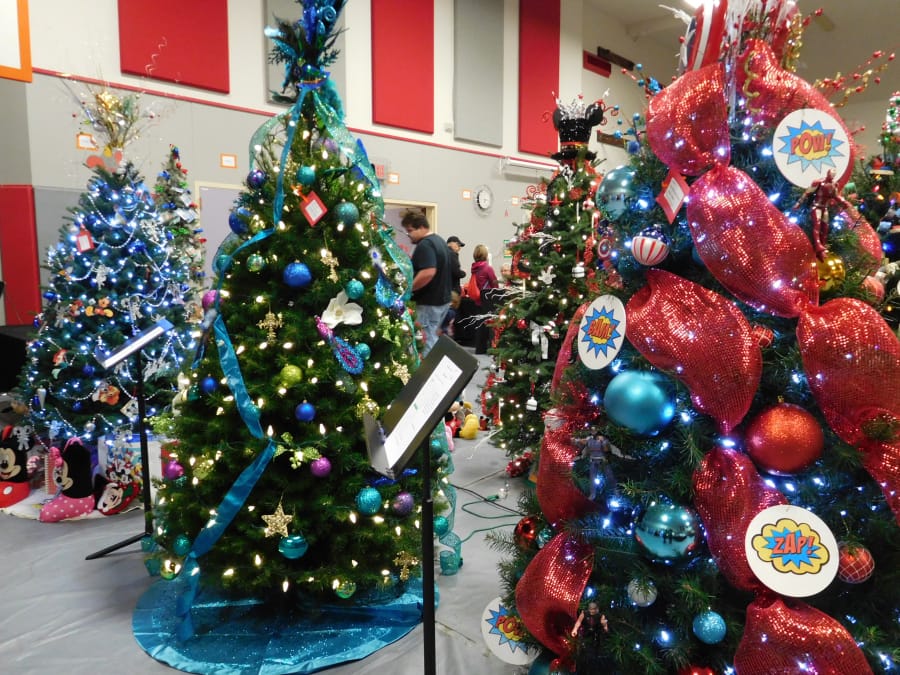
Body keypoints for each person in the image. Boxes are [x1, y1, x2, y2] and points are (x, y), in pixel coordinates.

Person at [401, 211, 452, 356]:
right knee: (431, 336)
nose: (408, 234)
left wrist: (409, 289)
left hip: (428, 302)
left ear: (421, 227)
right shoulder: (439, 241)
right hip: (441, 301)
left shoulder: (425, 245)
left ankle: (428, 374)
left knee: (425, 339)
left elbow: (428, 272)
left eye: (410, 230)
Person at [470, 244, 499, 354]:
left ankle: (480, 348)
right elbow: (494, 283)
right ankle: (492, 348)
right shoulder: (487, 268)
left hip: (478, 299)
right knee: (491, 324)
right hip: (488, 299)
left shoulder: (474, 268)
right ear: (485, 255)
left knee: (480, 324)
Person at [570, 600, 610, 674]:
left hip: (596, 636)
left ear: (597, 609)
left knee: (593, 655)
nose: (592, 611)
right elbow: (579, 622)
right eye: (590, 609)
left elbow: (605, 628)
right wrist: (575, 629)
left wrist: (604, 625)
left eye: (594, 609)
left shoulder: (600, 616)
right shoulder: (584, 614)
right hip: (585, 635)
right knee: (583, 653)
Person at [442, 236, 466, 337]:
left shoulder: (444, 254)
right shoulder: (452, 255)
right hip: (452, 291)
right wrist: (463, 273)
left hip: (446, 289)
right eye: (458, 245)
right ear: (451, 243)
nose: (459, 248)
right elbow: (455, 271)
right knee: (451, 317)